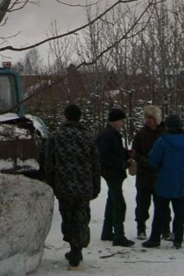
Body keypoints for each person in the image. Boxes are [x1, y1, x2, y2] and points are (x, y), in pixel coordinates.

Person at [45, 104, 101, 269]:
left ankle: (73, 248)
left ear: (66, 117)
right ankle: (77, 248)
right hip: (84, 185)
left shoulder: (56, 136)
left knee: (68, 217)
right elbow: (96, 164)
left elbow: (49, 163)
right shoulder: (88, 137)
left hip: (64, 185)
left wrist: (51, 184)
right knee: (81, 218)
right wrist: (96, 186)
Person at [142, 113, 184, 250]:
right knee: (180, 213)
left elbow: (153, 159)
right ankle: (178, 238)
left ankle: (155, 239)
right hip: (182, 182)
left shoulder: (163, 141)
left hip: (164, 181)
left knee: (160, 211)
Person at [130, 105, 170, 240]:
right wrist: (145, 161)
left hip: (161, 175)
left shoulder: (165, 134)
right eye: (146, 117)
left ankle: (165, 230)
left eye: (151, 118)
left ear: (156, 118)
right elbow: (135, 152)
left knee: (163, 206)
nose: (148, 120)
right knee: (142, 205)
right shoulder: (141, 134)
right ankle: (141, 228)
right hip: (144, 175)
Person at [96, 107, 134, 247]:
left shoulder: (111, 134)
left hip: (113, 172)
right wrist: (121, 163)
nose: (123, 123)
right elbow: (104, 155)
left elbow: (114, 151)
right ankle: (119, 235)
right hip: (112, 173)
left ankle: (107, 232)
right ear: (116, 120)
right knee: (119, 204)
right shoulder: (107, 135)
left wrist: (126, 154)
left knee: (112, 201)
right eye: (122, 120)